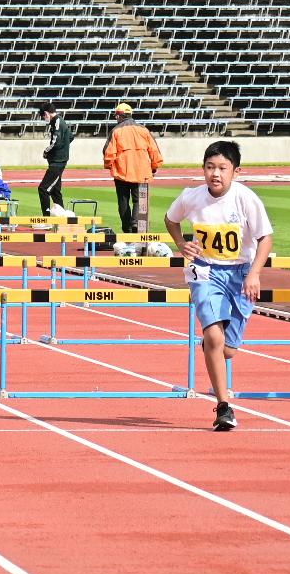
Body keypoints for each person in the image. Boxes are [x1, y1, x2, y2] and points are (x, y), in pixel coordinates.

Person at [164, 140, 275, 433]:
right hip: (205, 270)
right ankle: (224, 406)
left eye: (222, 168)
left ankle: (214, 346)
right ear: (203, 169)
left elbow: (266, 238)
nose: (215, 174)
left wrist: (254, 274)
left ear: (235, 171)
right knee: (213, 337)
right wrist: (180, 243)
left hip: (240, 273)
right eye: (210, 167)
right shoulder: (191, 197)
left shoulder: (246, 199)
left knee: (227, 350)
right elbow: (170, 218)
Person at [103, 102, 166, 256]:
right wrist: (154, 166)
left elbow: (108, 152)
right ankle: (137, 225)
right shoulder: (143, 130)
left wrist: (109, 165)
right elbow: (154, 150)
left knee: (123, 202)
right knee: (139, 201)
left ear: (119, 115)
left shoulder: (116, 130)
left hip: (122, 172)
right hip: (142, 172)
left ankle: (127, 229)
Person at [37, 102, 74, 217]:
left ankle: (46, 219)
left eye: (43, 115)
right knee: (55, 190)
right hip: (58, 160)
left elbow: (55, 142)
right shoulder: (58, 121)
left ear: (47, 113)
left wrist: (46, 151)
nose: (43, 118)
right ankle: (62, 216)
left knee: (43, 189)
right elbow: (71, 136)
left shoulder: (57, 122)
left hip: (57, 162)